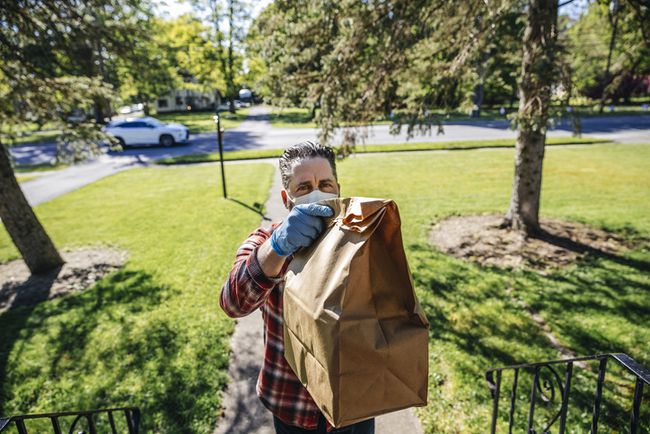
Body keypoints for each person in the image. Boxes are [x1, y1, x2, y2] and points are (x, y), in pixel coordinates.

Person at [220, 141, 375, 434]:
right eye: (304, 187)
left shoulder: (360, 237)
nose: (317, 192)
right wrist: (277, 248)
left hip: (356, 397)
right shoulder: (267, 240)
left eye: (325, 184)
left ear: (338, 189)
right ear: (286, 197)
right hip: (293, 403)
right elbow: (232, 302)